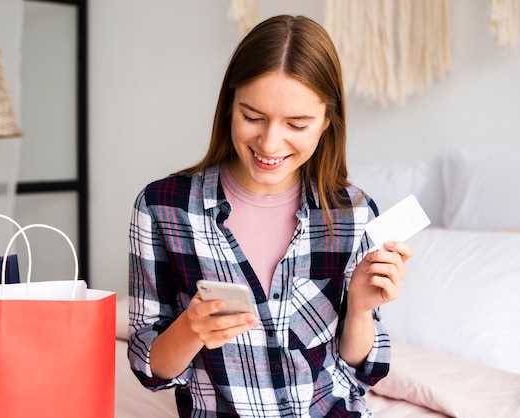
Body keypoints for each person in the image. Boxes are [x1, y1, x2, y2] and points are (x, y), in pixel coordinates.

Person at [128, 14, 413, 417]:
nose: (270, 142)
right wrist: (191, 329)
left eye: (297, 124)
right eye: (253, 117)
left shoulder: (354, 214)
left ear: (327, 122)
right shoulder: (162, 207)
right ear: (229, 107)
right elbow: (149, 367)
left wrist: (361, 309)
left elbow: (359, 370)